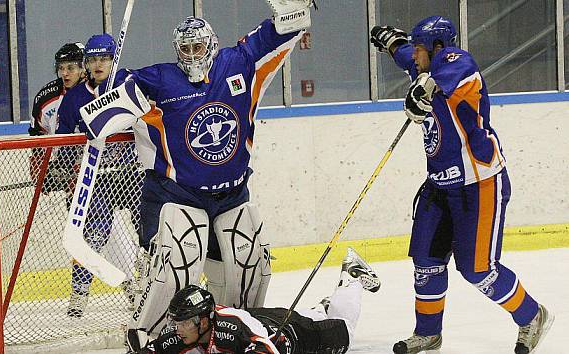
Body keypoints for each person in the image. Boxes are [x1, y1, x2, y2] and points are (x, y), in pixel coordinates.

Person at [74, 1, 317, 347]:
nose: (191, 54)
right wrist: (106, 94)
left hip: (232, 194)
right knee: (177, 267)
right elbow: (108, 104)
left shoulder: (240, 63)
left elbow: (277, 35)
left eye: (197, 47)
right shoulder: (159, 79)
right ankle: (148, 338)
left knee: (247, 264)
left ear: (212, 45)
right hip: (179, 194)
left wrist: (292, 12)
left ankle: (236, 336)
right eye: (184, 48)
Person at [370, 16, 554, 354]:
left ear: (438, 48)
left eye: (421, 50)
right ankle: (428, 334)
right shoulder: (421, 63)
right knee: (426, 260)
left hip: (479, 184)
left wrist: (427, 88)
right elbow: (405, 53)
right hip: (440, 186)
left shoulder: (456, 64)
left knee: (478, 270)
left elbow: (455, 73)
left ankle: (531, 316)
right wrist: (391, 42)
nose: (415, 57)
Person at [138, 247, 380, 353]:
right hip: (264, 319)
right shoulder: (185, 332)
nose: (178, 328)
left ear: (204, 320)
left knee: (344, 330)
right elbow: (153, 350)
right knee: (311, 315)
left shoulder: (231, 330)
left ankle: (352, 277)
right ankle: (322, 307)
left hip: (295, 335)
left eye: (185, 322)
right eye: (177, 322)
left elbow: (266, 350)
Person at [56, 33, 141, 317]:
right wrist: (63, 166)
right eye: (92, 59)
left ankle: (144, 290)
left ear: (113, 59)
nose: (97, 64)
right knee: (93, 235)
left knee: (149, 231)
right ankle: (79, 296)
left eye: (103, 58)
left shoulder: (129, 85)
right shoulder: (73, 100)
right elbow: (62, 141)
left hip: (131, 174)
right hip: (96, 179)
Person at [30, 42, 85, 136]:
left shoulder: (96, 91)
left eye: (70, 68)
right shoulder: (46, 97)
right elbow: (36, 136)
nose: (64, 73)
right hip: (57, 150)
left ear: (84, 68)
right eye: (61, 68)